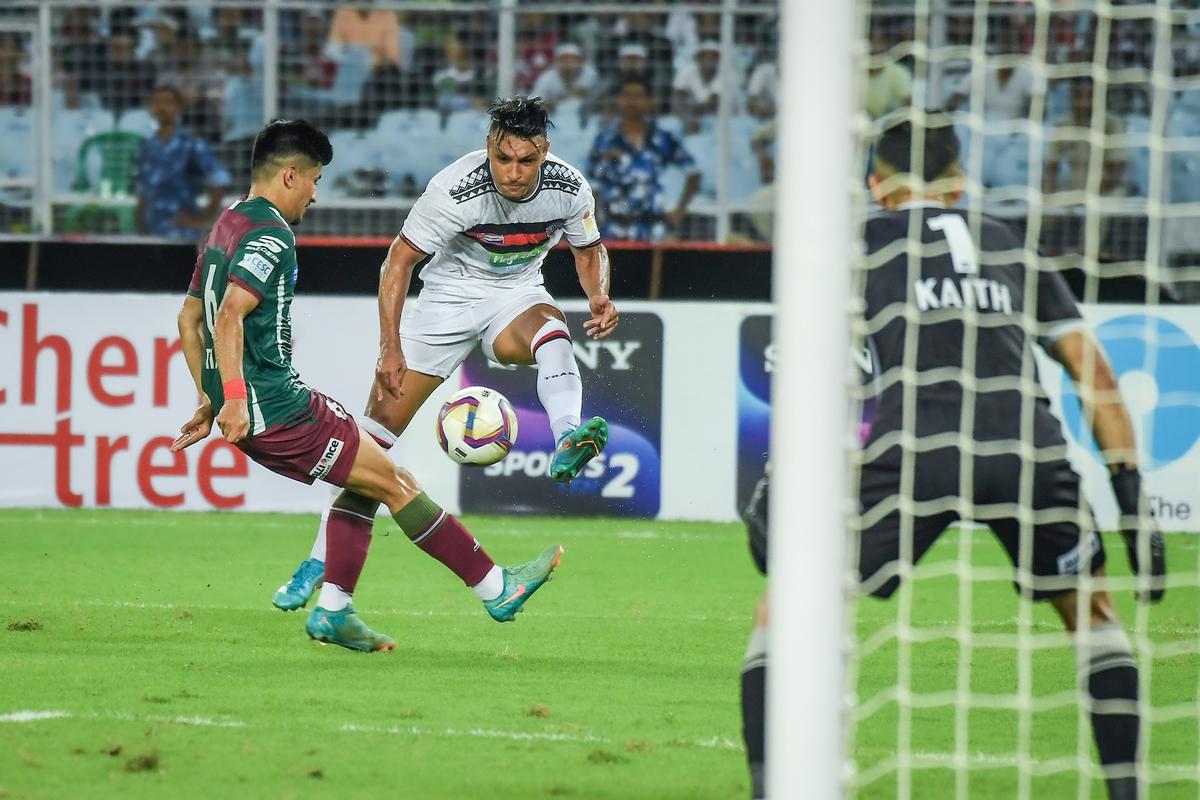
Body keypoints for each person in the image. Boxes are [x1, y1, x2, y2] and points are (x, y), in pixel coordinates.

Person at [855, 118, 1165, 799]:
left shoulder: (860, 245)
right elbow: (1095, 373)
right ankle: (1126, 793)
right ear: (961, 184)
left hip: (916, 448)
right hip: (1026, 447)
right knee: (1092, 613)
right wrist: (1131, 492)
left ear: (876, 186)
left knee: (788, 611)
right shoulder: (1009, 242)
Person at [171, 119, 563, 652]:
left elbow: (188, 318)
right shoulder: (271, 234)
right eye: (313, 180)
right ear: (290, 176)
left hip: (267, 406)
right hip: (278, 409)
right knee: (396, 484)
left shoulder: (227, 224)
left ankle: (334, 608)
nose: (314, 194)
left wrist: (208, 396)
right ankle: (498, 587)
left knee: (370, 476)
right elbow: (228, 318)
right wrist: (233, 400)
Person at [270, 98, 616, 612]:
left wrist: (598, 296)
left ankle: (568, 433)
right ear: (488, 150)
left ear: (545, 151)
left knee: (552, 329)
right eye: (504, 159)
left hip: (515, 296)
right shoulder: (454, 189)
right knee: (369, 449)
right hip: (444, 306)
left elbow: (588, 252)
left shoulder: (568, 187)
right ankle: (321, 562)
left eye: (527, 160)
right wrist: (390, 346)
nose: (515, 173)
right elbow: (398, 263)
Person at [587, 77, 701, 242]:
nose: (631, 102)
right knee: (613, 269)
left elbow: (693, 172)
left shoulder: (662, 138)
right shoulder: (605, 140)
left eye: (638, 96)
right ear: (619, 101)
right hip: (612, 229)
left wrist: (678, 212)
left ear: (649, 102)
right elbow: (592, 183)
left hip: (653, 229)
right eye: (626, 96)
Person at [135, 85, 231, 240]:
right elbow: (142, 190)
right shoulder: (147, 146)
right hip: (151, 234)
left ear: (178, 108)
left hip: (181, 235)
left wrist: (201, 219)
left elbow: (221, 180)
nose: (162, 107)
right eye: (157, 102)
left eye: (168, 102)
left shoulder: (190, 143)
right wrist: (139, 227)